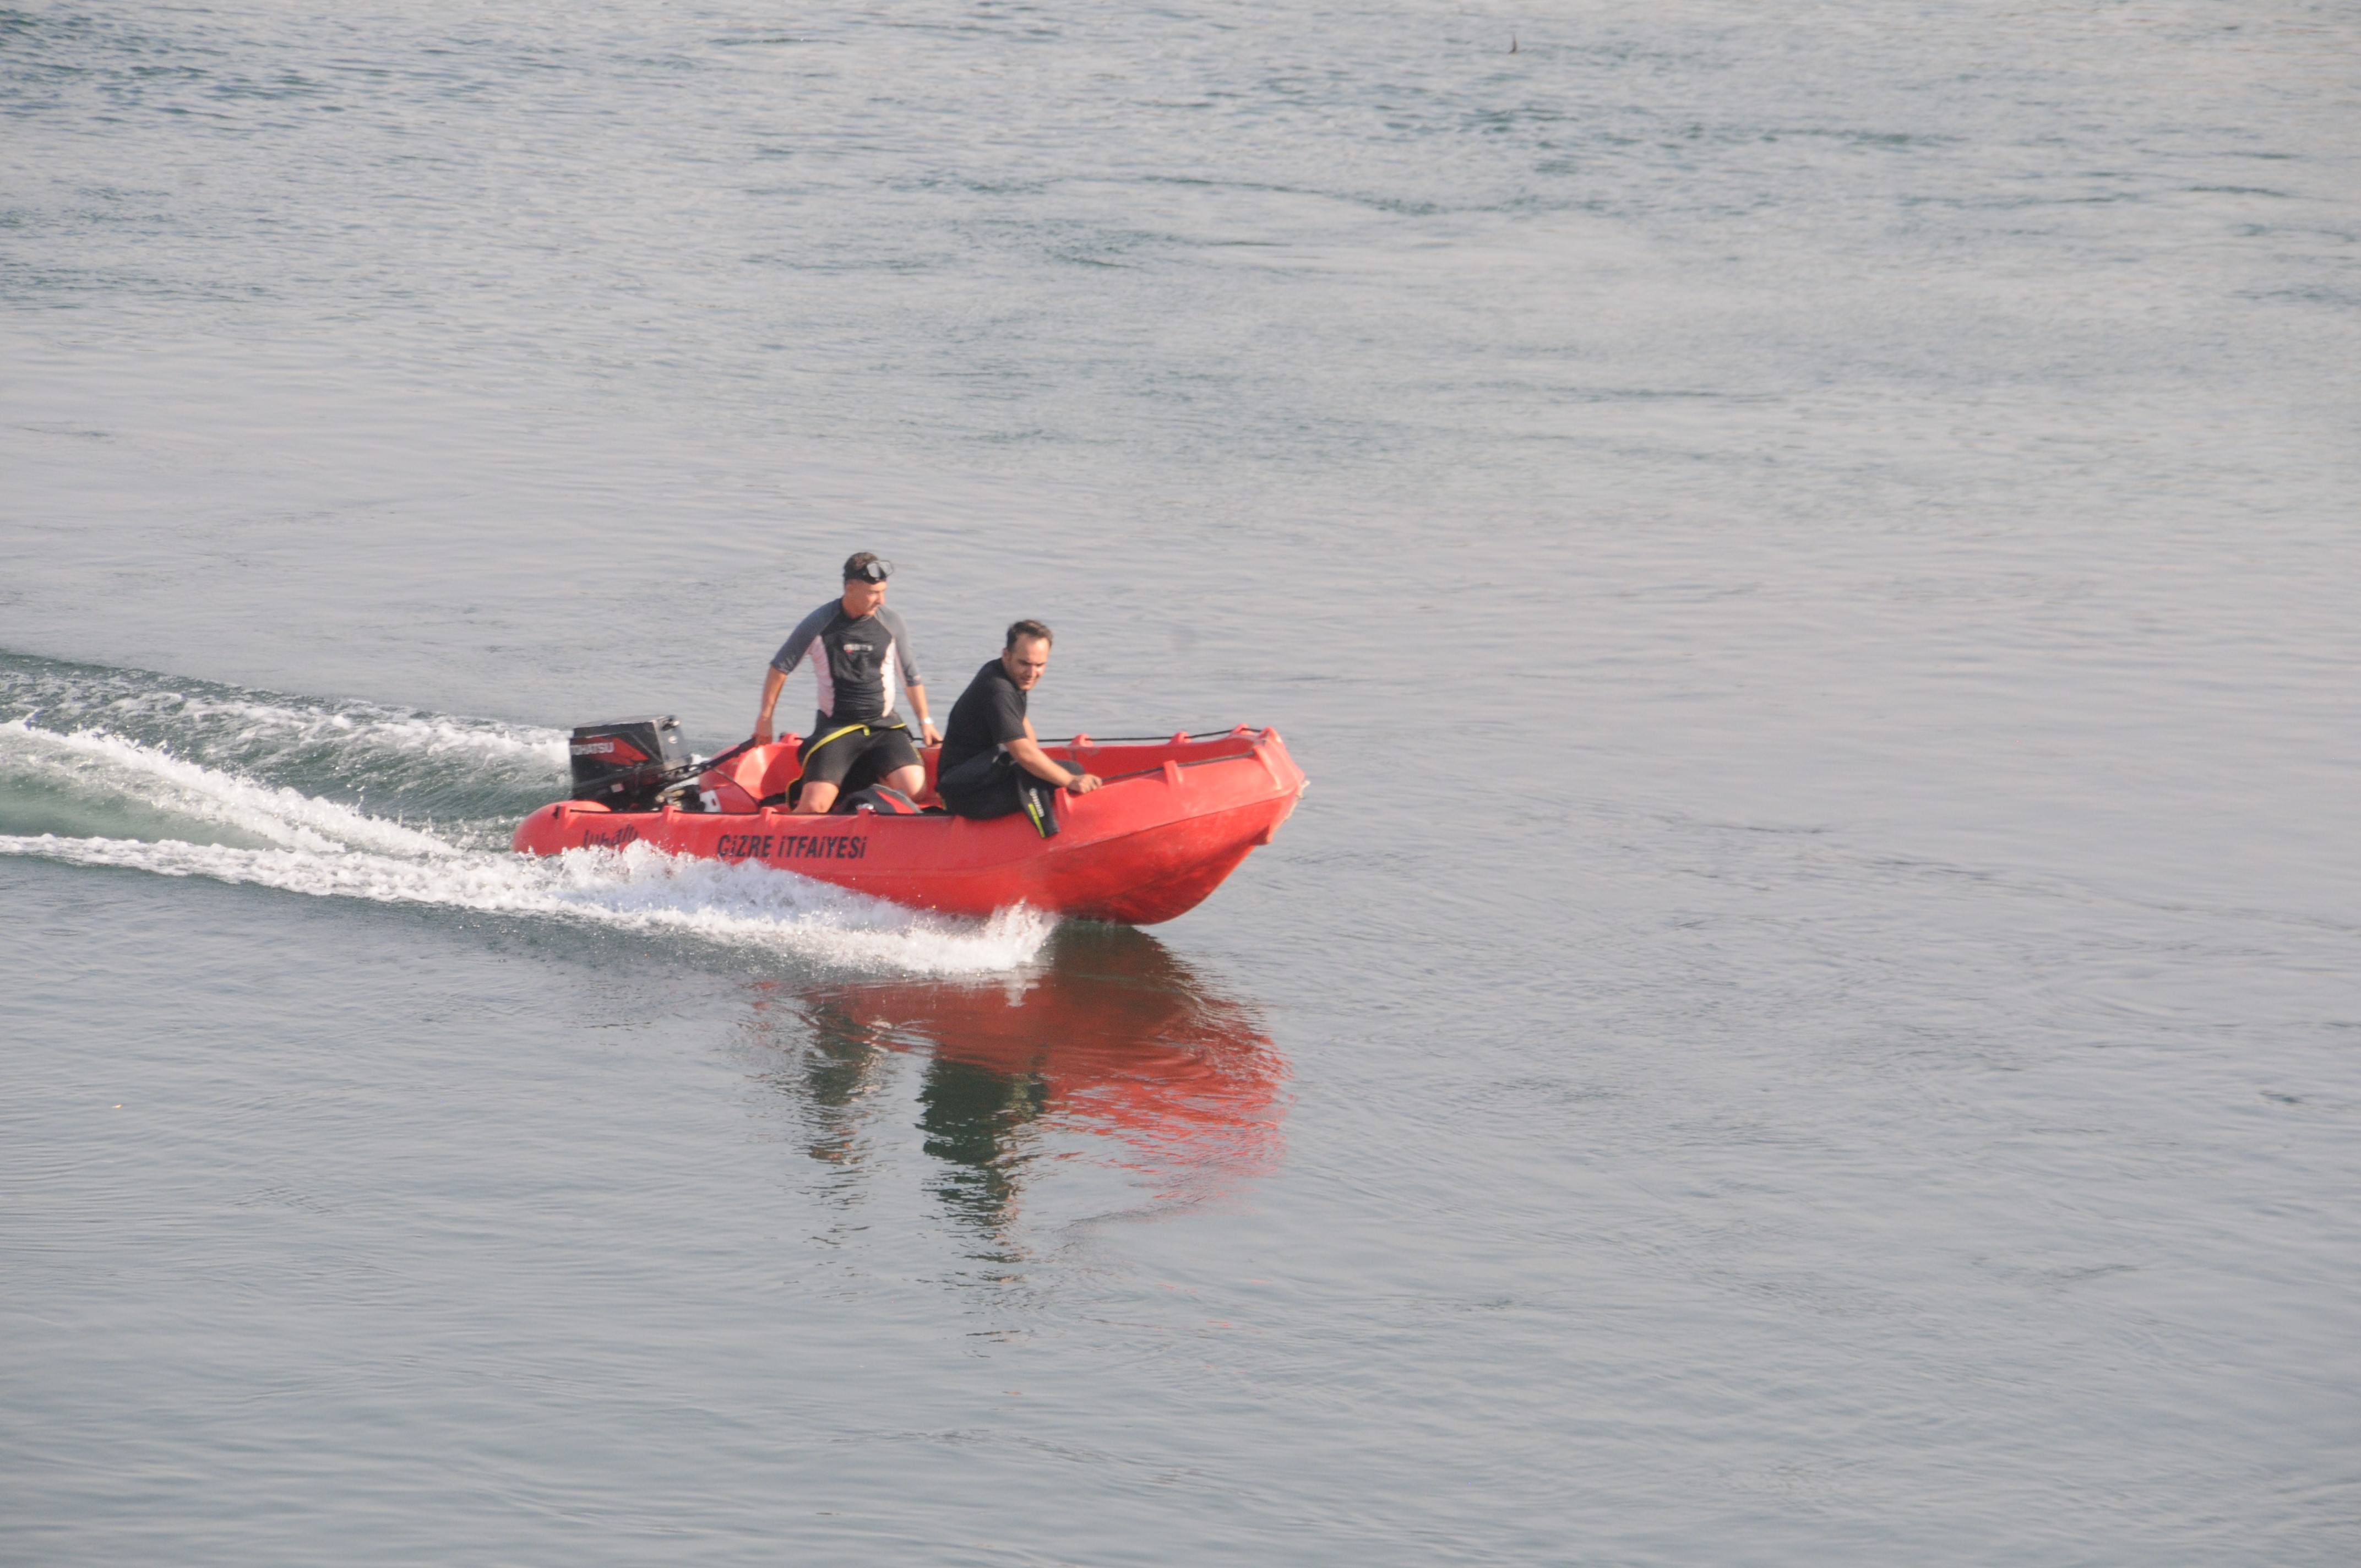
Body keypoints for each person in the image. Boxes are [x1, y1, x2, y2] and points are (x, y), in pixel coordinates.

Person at [754, 552, 940, 814]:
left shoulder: (891, 622)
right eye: (874, 593)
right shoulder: (819, 623)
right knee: (815, 806)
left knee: (916, 789)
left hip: (883, 726)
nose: (881, 600)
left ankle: (859, 786)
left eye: (884, 592)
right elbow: (780, 667)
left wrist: (926, 722)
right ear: (850, 588)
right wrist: (765, 717)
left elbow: (911, 677)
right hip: (837, 729)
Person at [935, 619, 1101, 836]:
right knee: (1070, 775)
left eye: (1040, 665)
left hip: (985, 773)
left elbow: (1021, 723)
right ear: (1007, 655)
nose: (1032, 672)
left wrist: (1043, 767)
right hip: (965, 793)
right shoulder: (998, 690)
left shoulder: (1008, 675)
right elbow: (1022, 751)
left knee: (1059, 772)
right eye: (1025, 663)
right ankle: (1049, 835)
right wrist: (1069, 781)